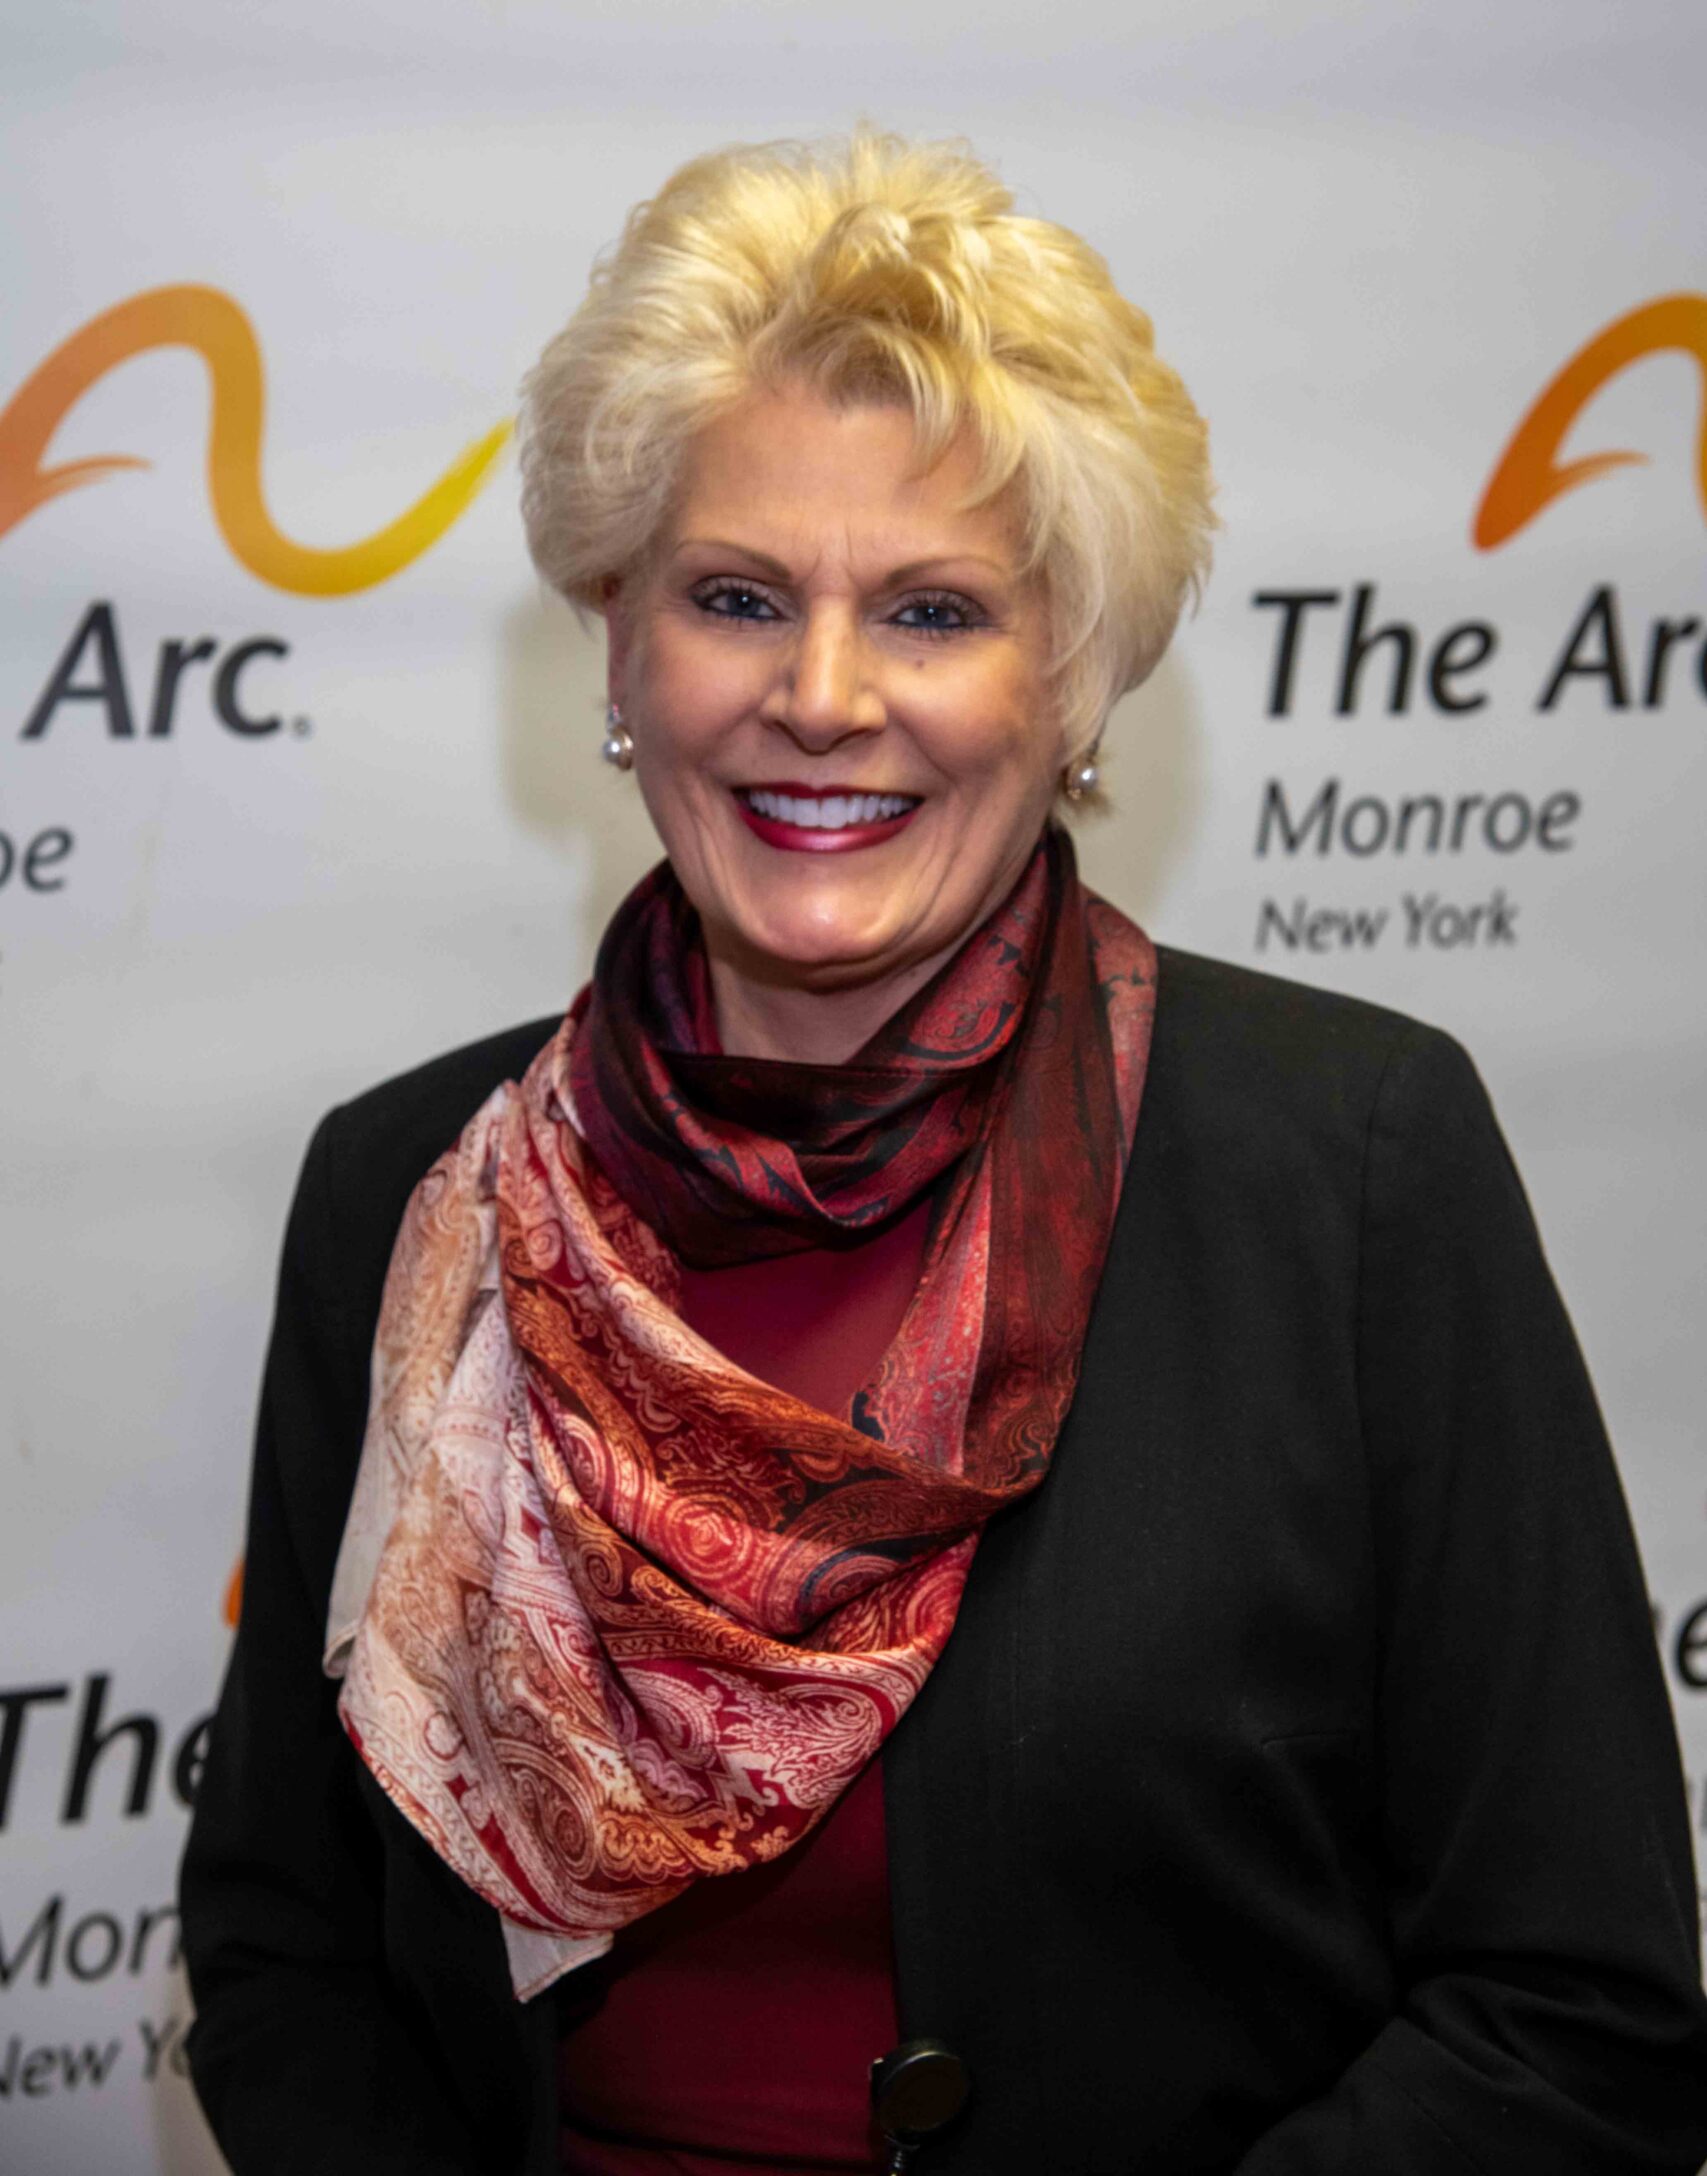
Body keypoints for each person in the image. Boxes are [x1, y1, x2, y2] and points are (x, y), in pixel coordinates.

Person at [179, 130, 1707, 2176]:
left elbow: (1575, 2005)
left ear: (1069, 679)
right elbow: (284, 1946)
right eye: (736, 598)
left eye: (931, 610)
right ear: (618, 645)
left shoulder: (1349, 1169)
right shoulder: (415, 1190)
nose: (822, 699)